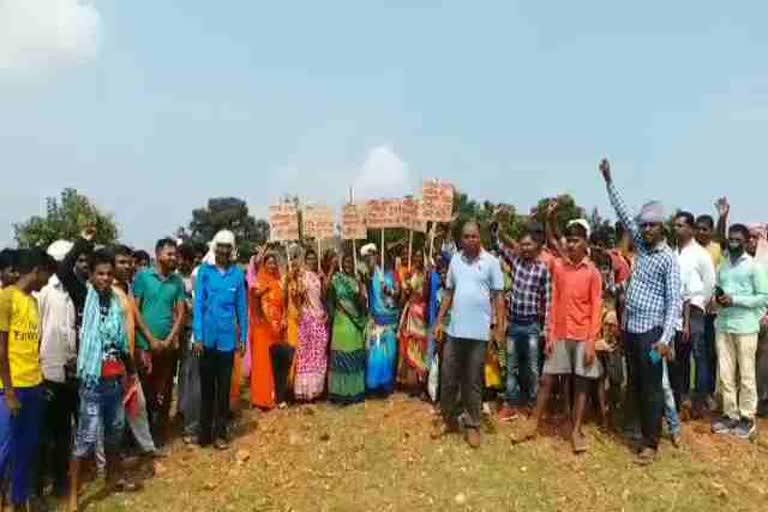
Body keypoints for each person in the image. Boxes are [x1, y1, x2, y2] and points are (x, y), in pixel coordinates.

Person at [600, 159, 681, 465]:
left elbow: (674, 302)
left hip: (651, 335)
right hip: (631, 328)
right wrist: (609, 181)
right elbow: (622, 212)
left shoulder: (667, 259)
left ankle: (651, 443)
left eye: (652, 225)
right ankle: (637, 431)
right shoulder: (642, 249)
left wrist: (665, 339)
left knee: (651, 388)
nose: (646, 229)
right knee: (635, 382)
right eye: (643, 225)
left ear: (663, 227)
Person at [513, 221, 603, 453]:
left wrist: (592, 341)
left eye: (576, 241)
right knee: (547, 379)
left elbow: (596, 308)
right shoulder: (560, 268)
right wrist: (550, 334)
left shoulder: (592, 273)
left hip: (583, 336)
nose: (571, 244)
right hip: (560, 333)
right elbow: (553, 302)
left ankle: (575, 430)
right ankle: (533, 423)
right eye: (569, 240)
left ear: (585, 244)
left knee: (581, 384)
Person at [68, 249, 139, 512]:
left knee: (115, 433)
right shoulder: (85, 296)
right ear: (91, 274)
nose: (105, 278)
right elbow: (65, 271)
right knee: (85, 439)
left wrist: (131, 373)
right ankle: (74, 497)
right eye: (100, 273)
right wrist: (83, 243)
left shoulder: (117, 303)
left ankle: (112, 477)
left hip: (114, 381)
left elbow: (121, 345)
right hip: (92, 383)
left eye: (109, 274)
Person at [432, 221, 505, 449]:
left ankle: (473, 425)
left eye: (473, 236)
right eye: (465, 237)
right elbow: (449, 292)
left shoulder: (492, 262)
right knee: (448, 377)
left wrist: (499, 327)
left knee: (473, 381)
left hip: (479, 334)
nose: (470, 240)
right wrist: (439, 320)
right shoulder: (456, 260)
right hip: (455, 331)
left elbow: (499, 297)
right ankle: (449, 421)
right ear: (461, 239)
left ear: (480, 237)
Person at [0, 248, 56, 510]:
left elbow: (32, 346)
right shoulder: (6, 298)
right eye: (47, 275)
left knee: (26, 449)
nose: (47, 282)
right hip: (12, 389)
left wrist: (40, 381)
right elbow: (1, 349)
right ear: (36, 270)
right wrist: (9, 391)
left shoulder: (33, 302)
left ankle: (20, 501)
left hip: (33, 386)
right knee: (5, 451)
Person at [710, 224, 768, 440]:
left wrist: (735, 299)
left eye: (737, 240)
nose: (733, 243)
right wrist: (718, 300)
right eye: (731, 239)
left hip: (746, 327)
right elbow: (717, 291)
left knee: (746, 375)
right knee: (725, 374)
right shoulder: (723, 266)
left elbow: (763, 297)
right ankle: (730, 414)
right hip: (723, 325)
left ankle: (747, 418)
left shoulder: (755, 267)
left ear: (746, 242)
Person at [193, 230, 248, 449]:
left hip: (227, 341)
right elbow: (198, 306)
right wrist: (197, 335)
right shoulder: (205, 272)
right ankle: (204, 434)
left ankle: (221, 434)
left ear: (231, 250)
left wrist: (242, 338)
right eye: (220, 246)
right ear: (214, 248)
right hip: (206, 338)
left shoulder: (237, 275)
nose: (223, 251)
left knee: (224, 389)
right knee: (207, 390)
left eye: (227, 247)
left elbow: (242, 309)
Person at [35, 241, 78, 499]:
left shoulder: (73, 290)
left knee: (63, 431)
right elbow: (38, 332)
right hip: (46, 371)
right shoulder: (44, 293)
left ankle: (61, 481)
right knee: (43, 432)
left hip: (70, 370)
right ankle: (38, 483)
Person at [133, 238, 186, 446]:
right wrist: (151, 338)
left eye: (175, 254)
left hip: (168, 347)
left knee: (165, 390)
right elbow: (135, 310)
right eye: (169, 254)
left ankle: (160, 435)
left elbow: (181, 313)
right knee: (146, 393)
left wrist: (170, 339)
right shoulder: (143, 278)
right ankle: (144, 439)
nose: (173, 258)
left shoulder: (177, 282)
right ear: (158, 255)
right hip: (145, 346)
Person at [496, 223, 552, 420]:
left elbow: (549, 301)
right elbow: (500, 246)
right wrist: (500, 229)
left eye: (529, 244)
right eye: (523, 244)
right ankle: (511, 403)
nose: (526, 248)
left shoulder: (543, 270)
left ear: (537, 246)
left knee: (532, 367)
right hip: (514, 324)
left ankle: (532, 404)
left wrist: (546, 329)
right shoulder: (516, 262)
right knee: (511, 365)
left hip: (531, 326)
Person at [111, 244, 160, 458]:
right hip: (112, 361)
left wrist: (148, 340)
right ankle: (117, 456)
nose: (127, 266)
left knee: (136, 404)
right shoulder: (106, 290)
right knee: (117, 411)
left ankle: (147, 448)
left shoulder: (126, 287)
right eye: (121, 262)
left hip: (128, 358)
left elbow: (135, 316)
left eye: (129, 262)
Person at [672, 211, 716, 418]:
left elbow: (709, 284)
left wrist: (700, 303)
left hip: (696, 309)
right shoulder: (674, 252)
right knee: (680, 355)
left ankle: (700, 400)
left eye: (680, 226)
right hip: (676, 311)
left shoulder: (701, 254)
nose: (676, 229)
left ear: (689, 229)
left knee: (699, 355)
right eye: (675, 225)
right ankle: (682, 398)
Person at [327, 253, 368, 404]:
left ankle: (354, 392)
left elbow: (361, 304)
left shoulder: (356, 281)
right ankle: (340, 393)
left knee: (353, 354)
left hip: (354, 321)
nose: (348, 264)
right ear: (342, 263)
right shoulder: (337, 279)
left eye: (351, 261)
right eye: (346, 261)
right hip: (340, 321)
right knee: (340, 356)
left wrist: (360, 290)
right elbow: (328, 295)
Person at [249, 251, 285, 410]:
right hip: (263, 328)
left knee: (276, 364)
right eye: (268, 263)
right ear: (264, 265)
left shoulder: (279, 281)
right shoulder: (259, 281)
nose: (271, 266)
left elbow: (284, 302)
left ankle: (276, 395)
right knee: (263, 362)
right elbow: (254, 296)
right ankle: (261, 398)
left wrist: (283, 319)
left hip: (277, 328)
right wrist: (263, 290)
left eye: (273, 263)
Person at [364, 244, 400, 396]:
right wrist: (371, 257)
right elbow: (369, 270)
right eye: (379, 256)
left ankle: (386, 386)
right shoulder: (373, 273)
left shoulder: (393, 274)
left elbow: (397, 294)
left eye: (385, 255)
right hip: (377, 321)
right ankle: (374, 386)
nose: (382, 258)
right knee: (376, 356)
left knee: (389, 355)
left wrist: (391, 291)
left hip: (391, 321)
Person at [294, 249, 329, 402]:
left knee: (319, 354)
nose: (312, 261)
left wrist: (323, 280)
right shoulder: (302, 276)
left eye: (314, 259)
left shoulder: (318, 275)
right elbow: (298, 296)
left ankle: (316, 390)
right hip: (307, 318)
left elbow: (324, 297)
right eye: (309, 258)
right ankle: (304, 391)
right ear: (305, 260)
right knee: (306, 354)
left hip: (320, 317)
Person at [177, 243, 201, 444]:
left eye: (188, 259)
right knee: (184, 371)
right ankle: (183, 409)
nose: (184, 262)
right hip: (179, 330)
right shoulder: (176, 280)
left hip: (193, 329)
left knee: (190, 372)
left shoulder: (196, 277)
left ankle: (186, 410)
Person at [397, 250, 430, 396]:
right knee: (411, 345)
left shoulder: (424, 276)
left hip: (419, 313)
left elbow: (421, 293)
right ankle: (414, 382)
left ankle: (421, 383)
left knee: (419, 347)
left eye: (419, 257)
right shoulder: (414, 273)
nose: (417, 260)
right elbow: (406, 292)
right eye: (415, 257)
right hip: (412, 312)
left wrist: (406, 282)